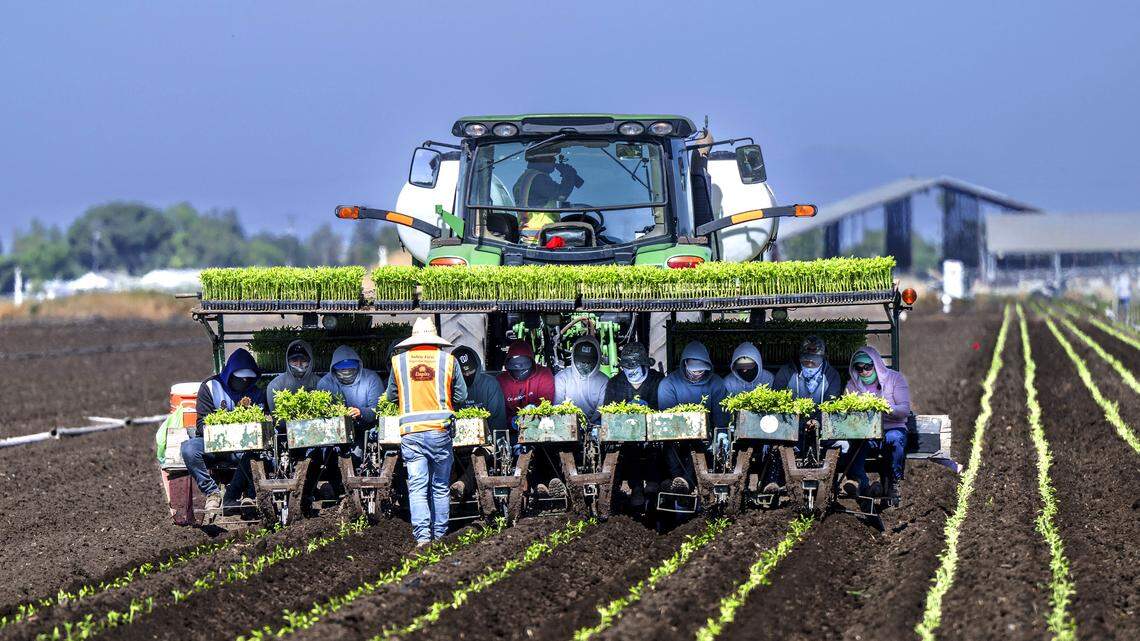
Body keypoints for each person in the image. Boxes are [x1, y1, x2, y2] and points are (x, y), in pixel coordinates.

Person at [384, 317, 467, 546]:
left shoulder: (399, 362)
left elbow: (391, 396)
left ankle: (422, 538)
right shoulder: (448, 360)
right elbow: (462, 396)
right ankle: (440, 535)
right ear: (435, 339)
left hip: (411, 434)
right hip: (440, 432)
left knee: (418, 486)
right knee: (440, 486)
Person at [180, 348, 265, 523]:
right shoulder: (210, 387)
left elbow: (262, 422)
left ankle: (239, 495)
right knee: (189, 449)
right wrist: (224, 430)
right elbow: (201, 424)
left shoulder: (256, 391)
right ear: (229, 374)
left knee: (259, 452)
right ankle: (212, 492)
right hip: (214, 445)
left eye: (247, 379)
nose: (243, 382)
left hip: (244, 449)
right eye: (239, 378)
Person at [767, 336, 844, 494]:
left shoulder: (832, 376)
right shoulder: (786, 373)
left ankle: (830, 486)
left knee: (838, 447)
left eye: (814, 361)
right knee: (775, 446)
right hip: (791, 428)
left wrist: (817, 422)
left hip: (821, 430)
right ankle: (774, 482)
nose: (809, 364)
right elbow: (777, 400)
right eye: (806, 360)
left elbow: (832, 404)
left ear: (822, 359)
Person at [312, 345, 383, 511]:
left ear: (358, 366)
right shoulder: (325, 384)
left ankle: (364, 491)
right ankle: (338, 491)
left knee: (361, 452)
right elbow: (323, 414)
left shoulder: (371, 379)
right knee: (331, 454)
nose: (346, 373)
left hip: (365, 430)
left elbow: (377, 409)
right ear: (333, 370)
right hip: (336, 434)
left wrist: (361, 412)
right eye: (341, 370)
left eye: (351, 369)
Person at [656, 341, 728, 494]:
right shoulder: (669, 384)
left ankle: (687, 482)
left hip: (704, 438)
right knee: (672, 448)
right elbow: (667, 419)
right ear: (685, 364)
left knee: (699, 448)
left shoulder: (716, 384)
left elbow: (720, 416)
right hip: (675, 435)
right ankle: (677, 480)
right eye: (694, 370)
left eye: (701, 371)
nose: (697, 374)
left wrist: (721, 433)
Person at [845, 347, 912, 505]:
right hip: (866, 432)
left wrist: (886, 408)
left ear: (876, 364)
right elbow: (846, 412)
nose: (864, 372)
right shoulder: (851, 385)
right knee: (854, 450)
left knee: (895, 439)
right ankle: (862, 484)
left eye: (868, 367)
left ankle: (895, 481)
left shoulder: (895, 379)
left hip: (891, 426)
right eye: (859, 368)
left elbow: (904, 410)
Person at [603, 342, 666, 509]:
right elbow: (608, 413)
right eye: (627, 370)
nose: (631, 373)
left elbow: (667, 409)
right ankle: (636, 486)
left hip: (655, 434)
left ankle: (655, 483)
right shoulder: (615, 384)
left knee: (659, 447)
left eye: (635, 369)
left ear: (645, 365)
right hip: (626, 436)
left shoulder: (658, 381)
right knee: (626, 449)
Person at [496, 339, 559, 495]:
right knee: (509, 447)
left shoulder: (544, 375)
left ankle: (544, 481)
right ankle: (521, 482)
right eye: (515, 368)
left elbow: (546, 403)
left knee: (545, 447)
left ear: (532, 363)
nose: (519, 371)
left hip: (540, 428)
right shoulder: (501, 381)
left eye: (524, 366)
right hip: (512, 430)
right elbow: (499, 411)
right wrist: (511, 422)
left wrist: (532, 416)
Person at [449, 346, 507, 498]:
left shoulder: (490, 385)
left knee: (480, 454)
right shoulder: (447, 388)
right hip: (453, 444)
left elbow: (498, 424)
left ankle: (463, 484)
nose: (467, 374)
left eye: (471, 371)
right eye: (463, 373)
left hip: (484, 444)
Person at [512, 148, 583, 245]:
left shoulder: (525, 177)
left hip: (530, 230)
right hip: (540, 232)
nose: (554, 161)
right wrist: (569, 175)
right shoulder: (538, 178)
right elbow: (561, 195)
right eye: (550, 158)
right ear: (539, 160)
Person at [554, 336, 609, 426]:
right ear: (573, 358)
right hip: (566, 423)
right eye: (581, 361)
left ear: (597, 359)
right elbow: (557, 405)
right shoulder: (561, 378)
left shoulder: (604, 381)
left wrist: (589, 424)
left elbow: (601, 409)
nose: (585, 365)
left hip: (595, 423)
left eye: (589, 362)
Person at [266, 340, 320, 412]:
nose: (299, 364)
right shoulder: (276, 386)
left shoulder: (319, 383)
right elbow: (277, 417)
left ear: (310, 361)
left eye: (303, 360)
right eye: (294, 360)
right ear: (287, 362)